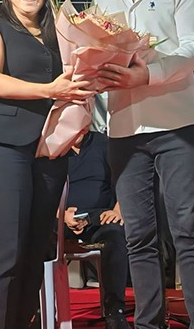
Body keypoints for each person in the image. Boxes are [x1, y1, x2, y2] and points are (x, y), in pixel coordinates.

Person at [93, 0, 194, 329]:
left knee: (189, 231)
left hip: (177, 127)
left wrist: (148, 73)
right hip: (123, 129)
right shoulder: (100, 4)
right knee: (138, 236)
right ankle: (149, 324)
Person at [0, 0, 93, 329]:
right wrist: (50, 90)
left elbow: (76, 83)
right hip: (1, 146)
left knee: (35, 253)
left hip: (49, 151)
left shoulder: (60, 34)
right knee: (7, 251)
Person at [62, 128, 131, 329]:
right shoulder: (55, 147)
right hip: (64, 218)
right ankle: (40, 308)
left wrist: (118, 210)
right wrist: (62, 215)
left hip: (100, 217)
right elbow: (45, 190)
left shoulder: (104, 143)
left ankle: (115, 312)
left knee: (115, 234)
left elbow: (125, 179)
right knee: (38, 235)